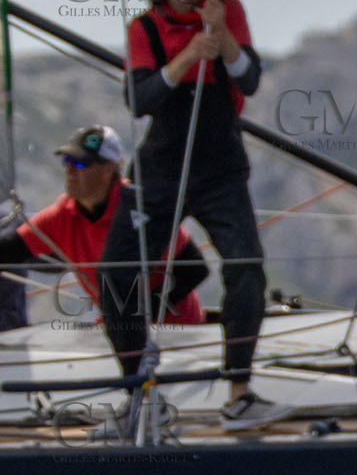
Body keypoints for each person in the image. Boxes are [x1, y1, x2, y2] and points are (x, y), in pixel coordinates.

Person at [99, 0, 287, 432]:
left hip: (219, 162)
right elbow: (140, 101)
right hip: (162, 164)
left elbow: (247, 78)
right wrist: (189, 55)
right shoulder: (146, 28)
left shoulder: (229, 14)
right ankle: (139, 393)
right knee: (117, 273)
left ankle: (240, 392)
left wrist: (221, 36)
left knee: (246, 265)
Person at [0, 125, 208, 328]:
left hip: (178, 332)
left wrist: (139, 316)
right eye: (67, 161)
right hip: (120, 331)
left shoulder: (140, 206)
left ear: (109, 169)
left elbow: (194, 268)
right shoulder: (63, 214)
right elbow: (9, 251)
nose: (70, 171)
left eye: (81, 164)